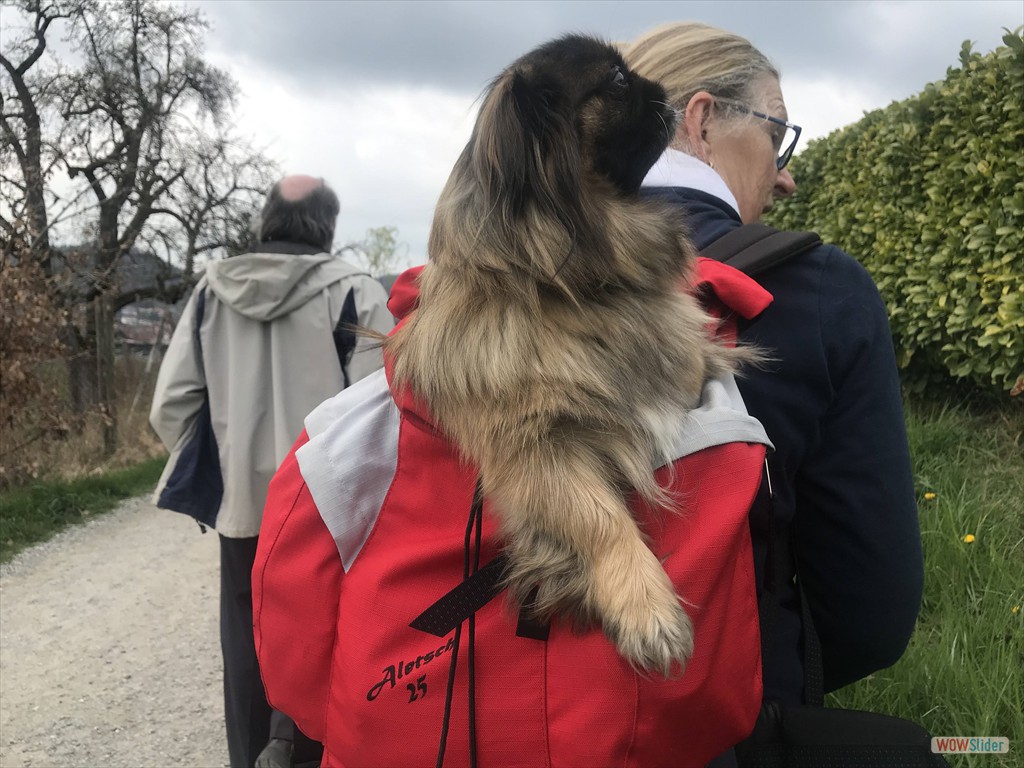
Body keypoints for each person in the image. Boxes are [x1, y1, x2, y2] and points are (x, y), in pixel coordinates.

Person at [622, 21, 923, 706]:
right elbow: (871, 613)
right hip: (720, 725)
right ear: (700, 120)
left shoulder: (481, 279)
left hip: (462, 724)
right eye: (777, 133)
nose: (786, 178)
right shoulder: (818, 291)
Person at [149, 175, 393, 768]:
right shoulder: (356, 291)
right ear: (327, 226)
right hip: (327, 511)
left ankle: (249, 753)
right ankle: (302, 749)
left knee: (245, 645)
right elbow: (384, 403)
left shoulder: (211, 290)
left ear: (266, 222)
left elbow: (172, 403)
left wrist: (223, 462)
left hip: (245, 510)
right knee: (321, 638)